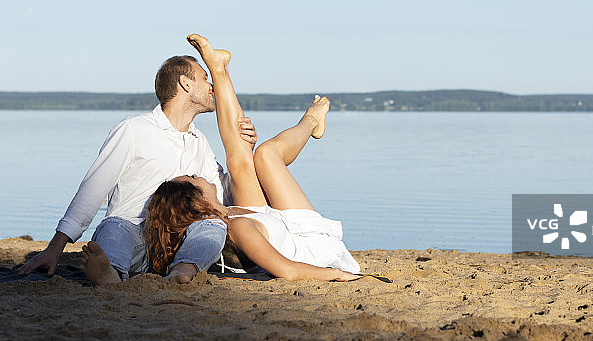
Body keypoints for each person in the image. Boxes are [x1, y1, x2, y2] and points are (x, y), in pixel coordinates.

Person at [80, 35, 361, 283]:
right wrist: (336, 273)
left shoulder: (213, 185)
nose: (196, 173)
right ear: (199, 198)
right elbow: (288, 270)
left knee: (245, 159)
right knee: (266, 155)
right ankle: (310, 121)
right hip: (310, 241)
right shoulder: (228, 226)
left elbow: (235, 165)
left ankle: (220, 69)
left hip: (273, 221)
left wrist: (245, 143)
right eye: (191, 177)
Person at [20, 53, 258, 283]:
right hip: (132, 236)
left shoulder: (199, 142)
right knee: (113, 227)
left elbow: (221, 193)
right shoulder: (133, 130)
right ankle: (109, 273)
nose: (211, 86)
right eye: (205, 78)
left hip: (179, 245)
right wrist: (55, 248)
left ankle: (182, 271)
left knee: (211, 225)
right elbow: (92, 191)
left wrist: (245, 148)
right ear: (185, 83)